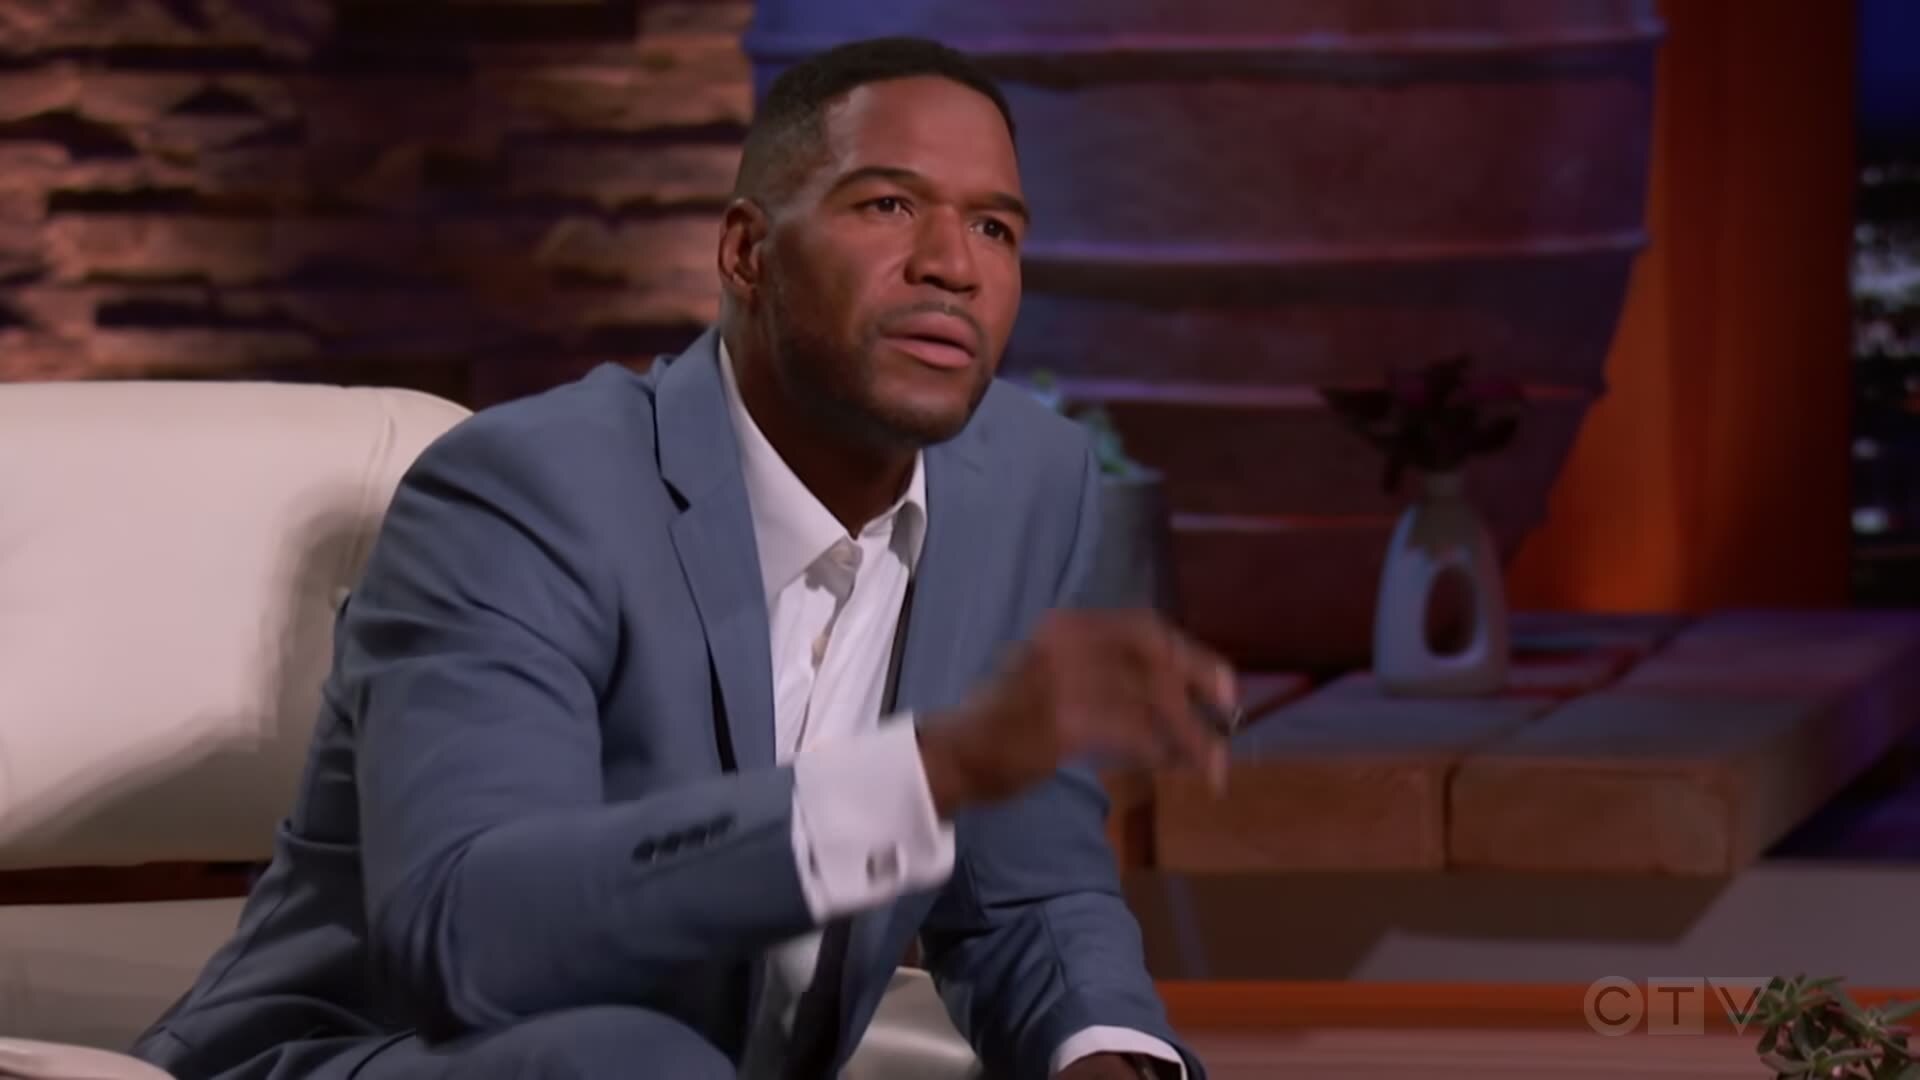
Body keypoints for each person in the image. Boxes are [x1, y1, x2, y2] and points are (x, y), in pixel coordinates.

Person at [131, 35, 1236, 1080]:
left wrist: (1102, 1056)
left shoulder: (1024, 484)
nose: (953, 265)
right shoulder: (524, 493)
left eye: (995, 227)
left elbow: (1025, 891)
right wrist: (930, 772)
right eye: (889, 205)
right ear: (748, 252)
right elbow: (468, 935)